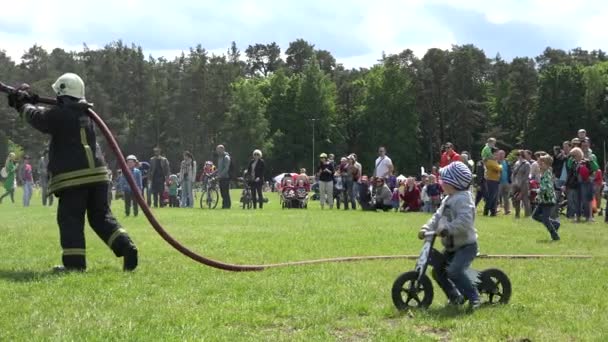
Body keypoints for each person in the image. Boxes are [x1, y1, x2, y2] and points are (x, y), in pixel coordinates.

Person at [6, 74, 137, 271]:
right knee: (100, 217)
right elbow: (48, 115)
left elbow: (39, 118)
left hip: (75, 179)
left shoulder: (60, 114)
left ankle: (74, 266)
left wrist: (22, 104)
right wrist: (30, 101)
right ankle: (127, 247)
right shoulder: (85, 114)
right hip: (99, 177)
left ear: (61, 93)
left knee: (70, 219)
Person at [418, 161, 480, 309]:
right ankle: (455, 297)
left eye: (443, 180)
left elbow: (465, 221)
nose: (441, 183)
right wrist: (426, 228)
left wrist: (448, 229)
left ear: (454, 183)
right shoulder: (448, 198)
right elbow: (437, 217)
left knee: (454, 271)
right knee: (438, 271)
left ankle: (474, 296)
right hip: (452, 246)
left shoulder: (464, 199)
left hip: (466, 246)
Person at [532, 155, 560, 241]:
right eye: (540, 162)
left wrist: (537, 191)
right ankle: (555, 224)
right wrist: (538, 195)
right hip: (543, 199)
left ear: (547, 165)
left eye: (542, 162)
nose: (540, 163)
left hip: (548, 200)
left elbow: (546, 188)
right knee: (535, 216)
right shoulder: (543, 173)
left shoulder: (547, 174)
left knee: (545, 219)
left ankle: (554, 235)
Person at [511, 150, 531, 218]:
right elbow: (513, 173)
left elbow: (526, 175)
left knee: (525, 200)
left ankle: (527, 215)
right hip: (515, 184)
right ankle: (517, 215)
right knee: (516, 199)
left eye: (518, 155)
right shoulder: (516, 163)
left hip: (523, 184)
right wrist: (513, 182)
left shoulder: (527, 164)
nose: (517, 156)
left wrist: (521, 184)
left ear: (522, 155)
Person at [483, 147, 502, 216]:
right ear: (493, 154)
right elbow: (498, 168)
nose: (498, 155)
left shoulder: (495, 161)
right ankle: (486, 212)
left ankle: (493, 212)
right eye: (497, 154)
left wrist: (499, 166)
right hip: (491, 181)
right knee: (491, 197)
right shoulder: (490, 161)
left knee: (495, 197)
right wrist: (500, 166)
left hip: (496, 181)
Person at [216, 144, 231, 209]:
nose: (217, 151)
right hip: (221, 178)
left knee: (225, 192)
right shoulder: (220, 157)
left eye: (218, 150)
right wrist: (213, 173)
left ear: (222, 149)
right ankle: (224, 205)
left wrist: (220, 175)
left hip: (225, 177)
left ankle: (227, 205)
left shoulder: (226, 157)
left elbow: (226, 168)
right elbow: (219, 168)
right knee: (222, 192)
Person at [497, 150, 511, 215]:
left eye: (503, 154)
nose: (501, 155)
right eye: (500, 154)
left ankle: (507, 210)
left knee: (506, 197)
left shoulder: (507, 162)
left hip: (506, 182)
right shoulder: (496, 162)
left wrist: (510, 182)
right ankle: (495, 209)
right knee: (496, 196)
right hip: (498, 182)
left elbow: (510, 172)